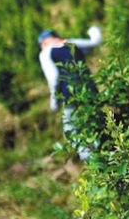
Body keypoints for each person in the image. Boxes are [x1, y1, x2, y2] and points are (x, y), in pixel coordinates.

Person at [38, 26, 102, 161]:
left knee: (72, 132)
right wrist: (92, 29)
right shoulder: (72, 43)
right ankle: (107, 155)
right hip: (90, 89)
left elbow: (54, 77)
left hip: (70, 94)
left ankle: (94, 164)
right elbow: (95, 41)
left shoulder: (46, 53)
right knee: (95, 124)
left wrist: (55, 101)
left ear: (43, 43)